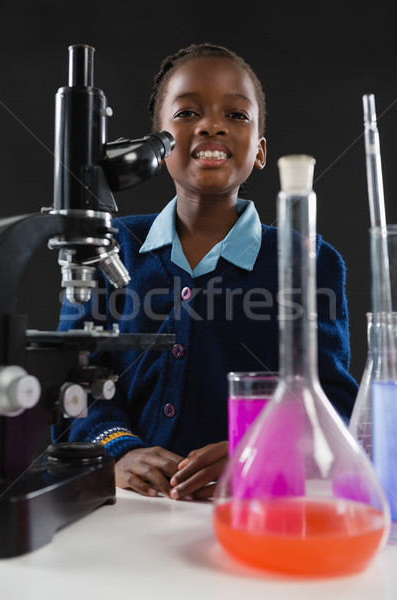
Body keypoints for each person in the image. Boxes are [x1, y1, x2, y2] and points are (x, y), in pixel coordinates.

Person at [54, 42, 358, 501]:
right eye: (187, 112)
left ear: (259, 150)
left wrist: (255, 451)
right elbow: (72, 380)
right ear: (155, 147)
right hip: (127, 508)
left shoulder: (311, 260)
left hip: (252, 503)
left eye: (236, 115)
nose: (211, 125)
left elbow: (332, 403)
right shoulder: (106, 246)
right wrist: (119, 451)